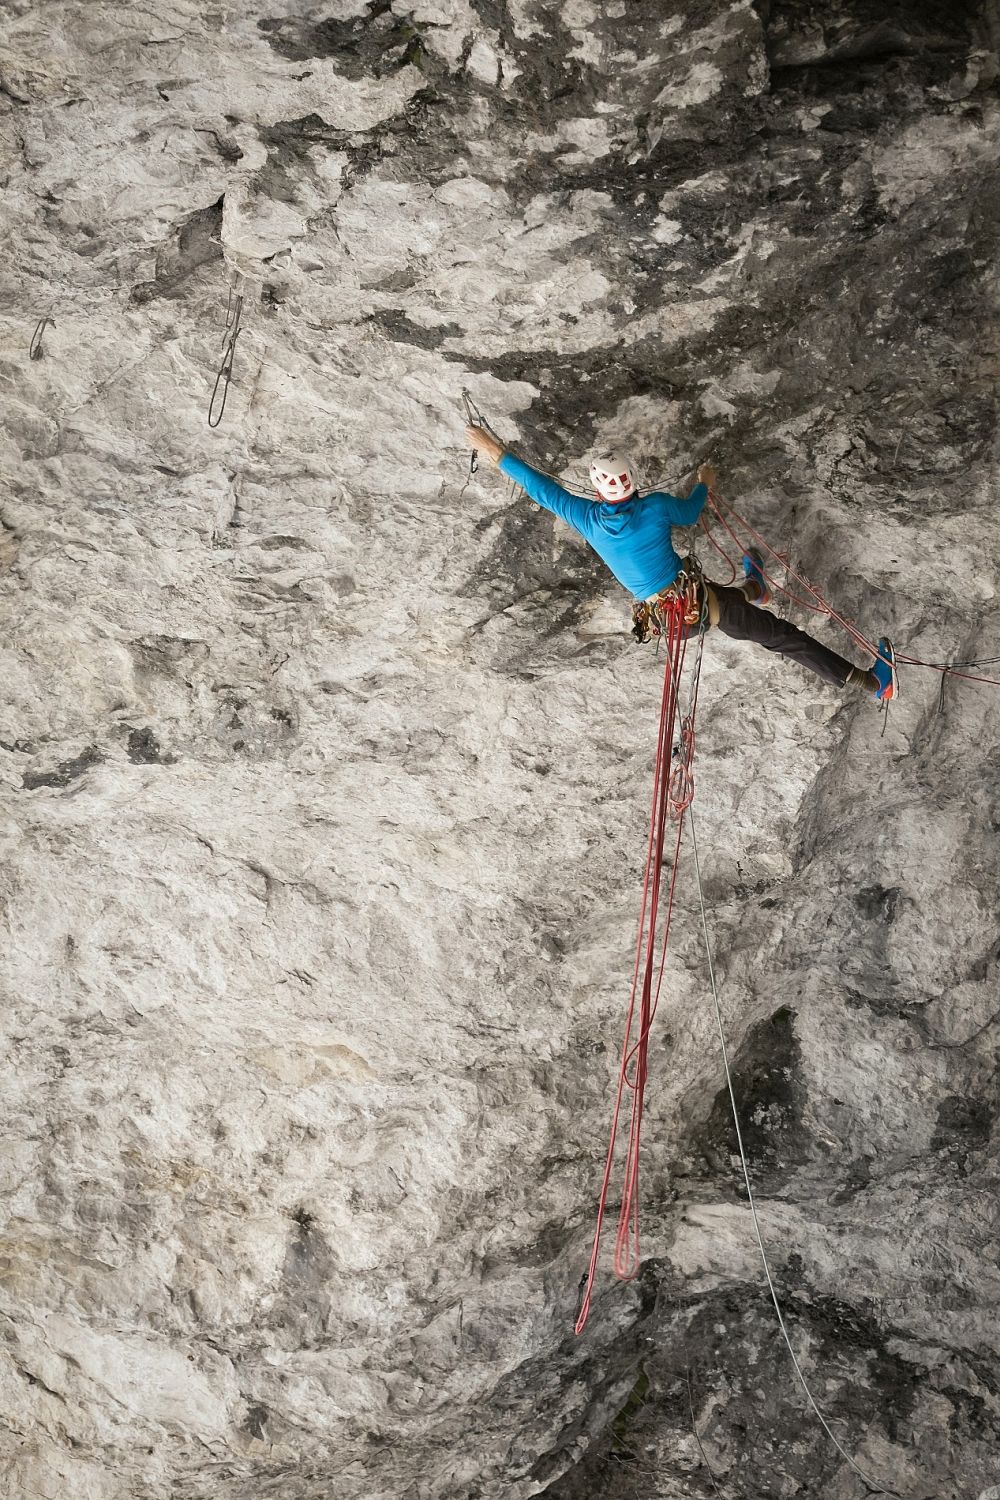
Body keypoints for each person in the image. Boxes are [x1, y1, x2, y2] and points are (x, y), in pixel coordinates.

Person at [464, 424, 896, 701]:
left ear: (598, 493)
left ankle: (755, 589)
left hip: (668, 618)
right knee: (784, 638)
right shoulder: (655, 507)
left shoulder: (586, 518)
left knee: (722, 599)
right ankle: (874, 684)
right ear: (633, 482)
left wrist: (494, 450)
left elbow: (539, 487)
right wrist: (704, 484)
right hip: (697, 608)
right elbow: (691, 513)